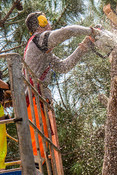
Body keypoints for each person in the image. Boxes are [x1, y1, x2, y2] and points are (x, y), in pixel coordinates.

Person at [23, 11, 99, 168]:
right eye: (46, 21)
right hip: (33, 98)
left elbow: (64, 67)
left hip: (39, 99)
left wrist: (84, 47)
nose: (49, 24)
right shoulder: (38, 40)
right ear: (41, 23)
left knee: (41, 147)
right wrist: (92, 31)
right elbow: (68, 31)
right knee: (37, 147)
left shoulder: (44, 50)